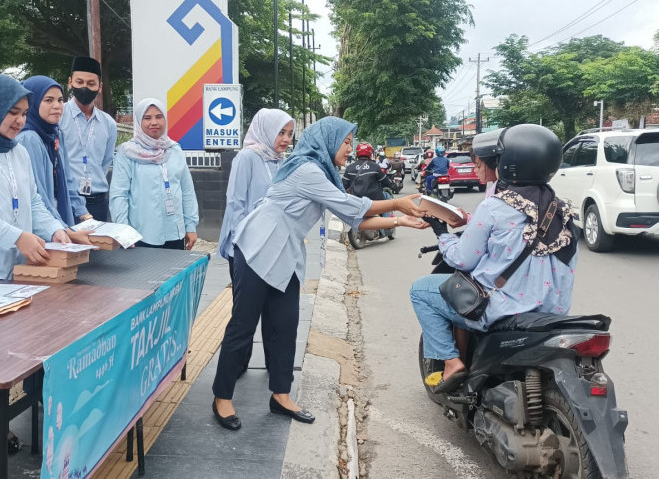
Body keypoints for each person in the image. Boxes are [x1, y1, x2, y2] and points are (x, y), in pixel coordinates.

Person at [211, 117, 428, 431]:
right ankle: (222, 398)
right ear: (327, 141)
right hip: (257, 249)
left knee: (285, 326)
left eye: (352, 142)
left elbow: (353, 217)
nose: (350, 148)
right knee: (243, 326)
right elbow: (351, 204)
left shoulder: (322, 172)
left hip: (285, 255)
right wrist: (397, 203)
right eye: (346, 142)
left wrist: (402, 221)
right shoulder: (307, 171)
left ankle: (281, 396)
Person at [410, 124, 579, 394]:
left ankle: (452, 364)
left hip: (502, 309)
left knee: (420, 289)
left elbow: (461, 260)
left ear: (508, 164)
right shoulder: (563, 211)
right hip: (552, 314)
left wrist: (442, 232)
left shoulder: (495, 207)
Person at [0, 71, 72, 453]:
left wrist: (55, 230)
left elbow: (34, 202)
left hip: (18, 268)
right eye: (12, 111)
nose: (20, 120)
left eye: (24, 112)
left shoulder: (17, 150)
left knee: (19, 344)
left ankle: (16, 408)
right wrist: (16, 236)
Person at [218, 108, 295, 374]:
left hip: (274, 248)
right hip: (246, 249)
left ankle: (275, 368)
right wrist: (245, 245)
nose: (285, 139)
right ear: (266, 130)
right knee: (245, 313)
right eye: (280, 132)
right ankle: (237, 365)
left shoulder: (282, 161)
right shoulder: (247, 157)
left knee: (274, 314)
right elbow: (236, 204)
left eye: (289, 134)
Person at [109, 98, 199, 250]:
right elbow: (119, 195)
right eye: (147, 118)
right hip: (140, 235)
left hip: (174, 232)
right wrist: (123, 231)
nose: (154, 122)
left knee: (174, 273)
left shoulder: (174, 150)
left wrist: (190, 225)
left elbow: (187, 190)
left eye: (159, 116)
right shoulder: (127, 153)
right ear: (139, 121)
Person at [17, 76, 93, 233]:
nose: (57, 106)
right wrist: (60, 228)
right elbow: (38, 193)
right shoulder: (29, 138)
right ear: (32, 102)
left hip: (57, 218)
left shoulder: (56, 134)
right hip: (42, 225)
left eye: (60, 100)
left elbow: (67, 178)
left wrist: (82, 212)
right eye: (48, 100)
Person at [60, 56, 117, 222]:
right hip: (68, 201)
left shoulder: (108, 123)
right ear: (70, 82)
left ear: (99, 87)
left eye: (91, 84)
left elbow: (105, 161)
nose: (85, 87)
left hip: (98, 202)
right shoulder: (59, 116)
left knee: (99, 248)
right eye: (80, 82)